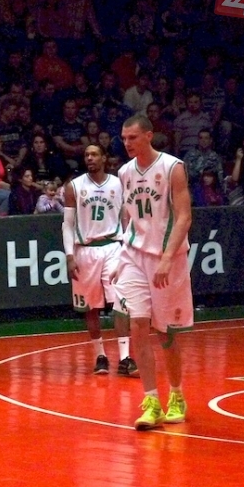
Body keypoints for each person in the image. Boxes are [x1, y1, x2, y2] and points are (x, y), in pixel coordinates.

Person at [115, 114, 192, 430]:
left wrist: (167, 257)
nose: (127, 143)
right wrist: (119, 255)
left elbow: (184, 216)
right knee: (138, 325)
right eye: (124, 138)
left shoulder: (173, 167)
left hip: (166, 257)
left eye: (132, 137)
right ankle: (151, 402)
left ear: (148, 135)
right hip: (133, 255)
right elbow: (127, 215)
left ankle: (177, 395)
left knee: (166, 332)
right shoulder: (124, 172)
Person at [62, 144, 137, 377]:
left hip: (113, 247)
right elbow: (67, 225)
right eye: (87, 155)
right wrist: (69, 255)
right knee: (91, 308)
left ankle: (125, 358)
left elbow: (127, 218)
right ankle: (100, 356)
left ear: (104, 158)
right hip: (85, 250)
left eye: (94, 154)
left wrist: (127, 248)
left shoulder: (118, 183)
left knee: (121, 302)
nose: (90, 158)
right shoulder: (74, 186)